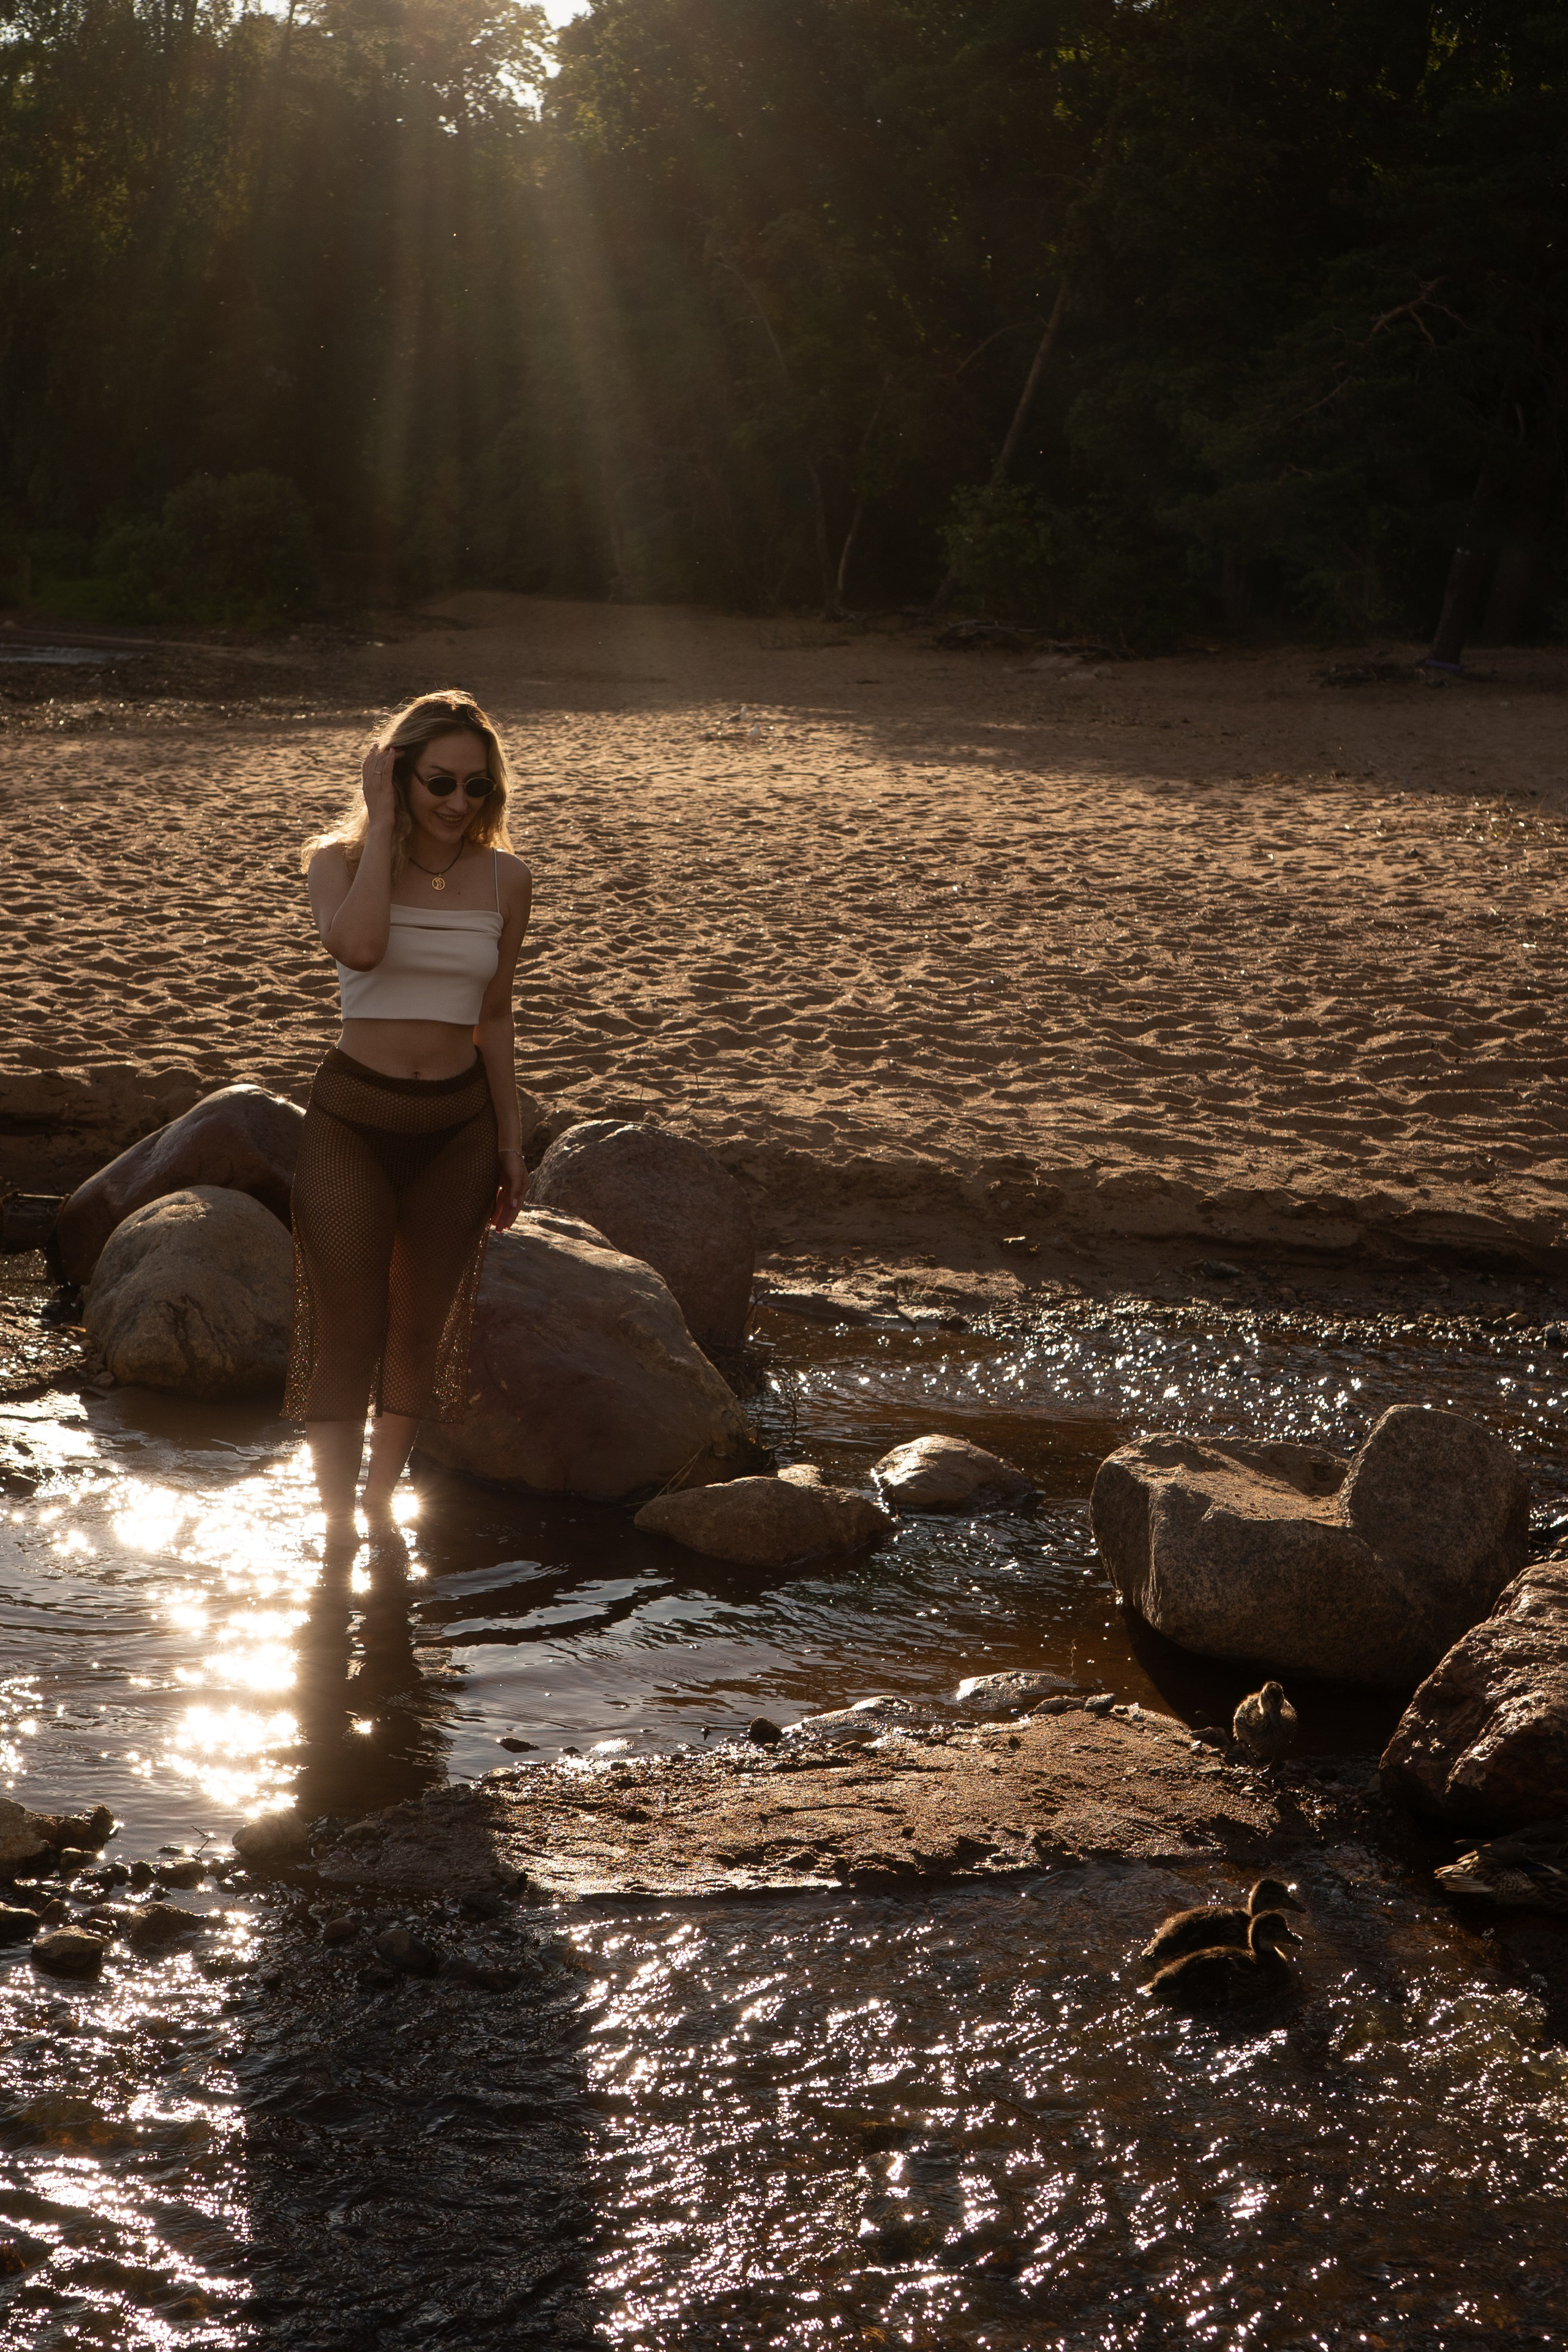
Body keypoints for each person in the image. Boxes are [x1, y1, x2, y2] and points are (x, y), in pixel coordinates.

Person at [287, 690, 532, 1540]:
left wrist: (511, 1142)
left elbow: (495, 1014)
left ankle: (377, 1504)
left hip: (457, 1130)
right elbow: (359, 949)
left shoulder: (507, 879)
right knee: (347, 1327)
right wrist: (384, 824)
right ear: (398, 776)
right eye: (440, 782)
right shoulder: (337, 863)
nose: (459, 803)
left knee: (420, 1328)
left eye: (477, 786)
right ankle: (335, 1524)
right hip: (352, 1120)